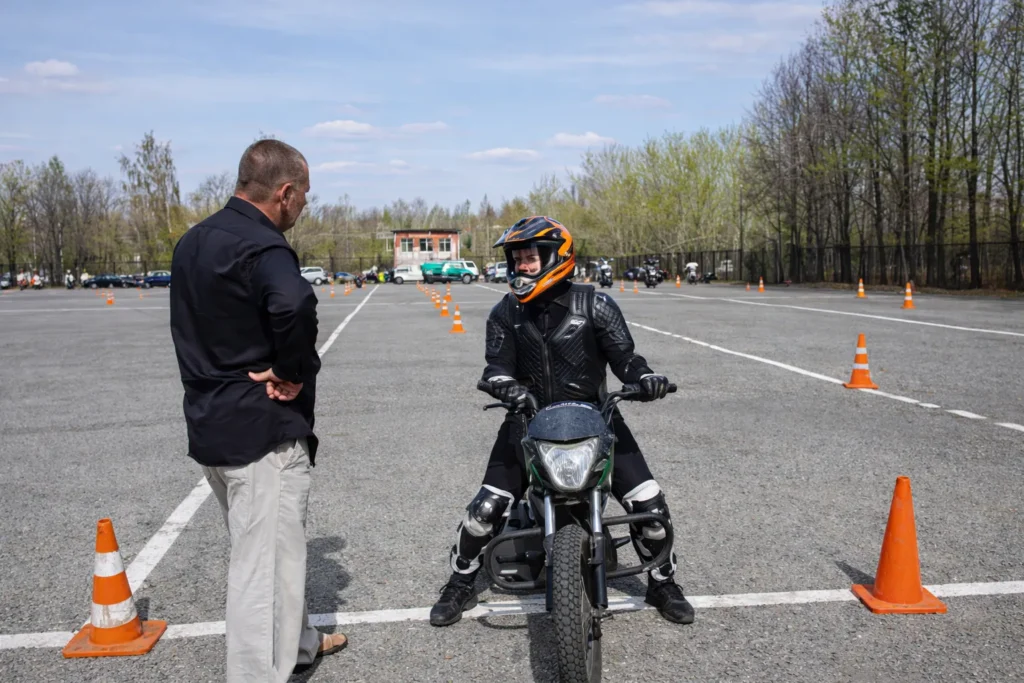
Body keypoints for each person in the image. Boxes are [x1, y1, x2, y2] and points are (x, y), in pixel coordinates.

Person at [429, 216, 695, 627]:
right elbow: (495, 368)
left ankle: (664, 581)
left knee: (650, 505)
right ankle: (460, 580)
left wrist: (644, 378)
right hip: (527, 422)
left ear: (559, 257)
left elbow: (626, 358)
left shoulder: (597, 304)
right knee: (484, 511)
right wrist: (506, 387)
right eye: (517, 259)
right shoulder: (505, 313)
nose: (522, 267)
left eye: (531, 258)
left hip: (598, 421)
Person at [169, 139, 347, 683]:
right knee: (263, 571)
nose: (303, 208)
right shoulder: (264, 247)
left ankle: (298, 644)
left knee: (266, 550)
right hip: (261, 430)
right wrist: (292, 372)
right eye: (306, 197)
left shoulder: (194, 241)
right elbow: (295, 303)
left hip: (210, 422)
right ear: (285, 192)